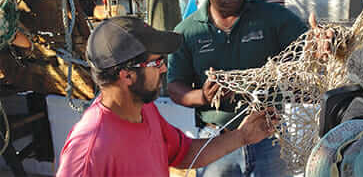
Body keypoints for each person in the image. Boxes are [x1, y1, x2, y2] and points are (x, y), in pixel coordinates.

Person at [56, 16, 275, 177]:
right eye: (157, 62)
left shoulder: (144, 110)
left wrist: (243, 136)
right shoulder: (89, 151)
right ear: (127, 75)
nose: (163, 69)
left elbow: (185, 152)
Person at [167, 0, 311, 177]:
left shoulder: (272, 18)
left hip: (269, 137)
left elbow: (309, 47)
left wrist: (322, 42)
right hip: (216, 142)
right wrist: (203, 97)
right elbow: (174, 87)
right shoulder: (188, 32)